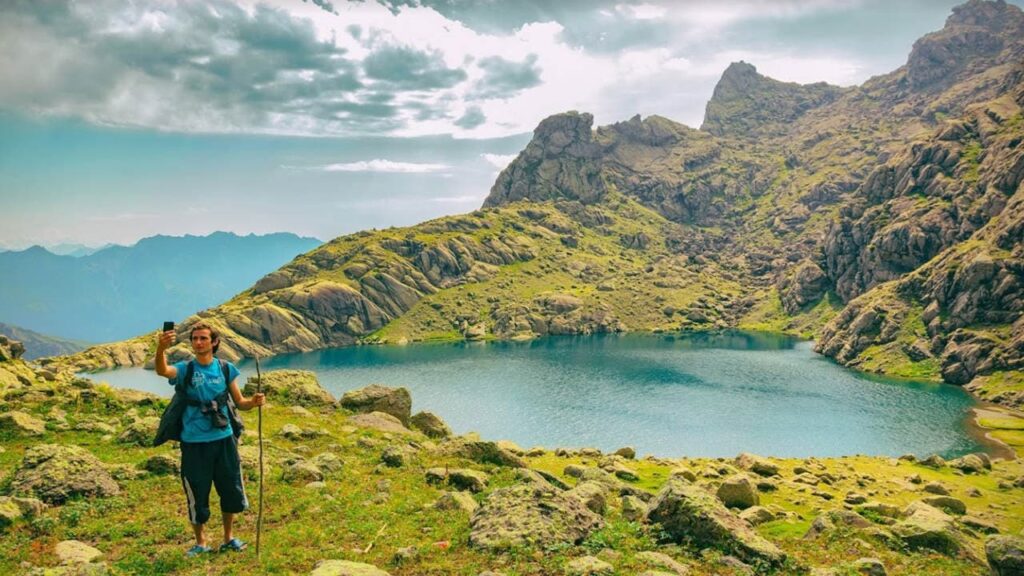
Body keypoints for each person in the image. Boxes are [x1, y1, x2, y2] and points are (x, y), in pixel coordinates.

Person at [155, 322, 265, 557]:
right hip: (194, 443)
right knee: (197, 492)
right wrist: (161, 349)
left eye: (204, 338)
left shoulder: (226, 369)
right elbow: (163, 371)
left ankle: (228, 538)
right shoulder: (186, 369)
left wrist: (253, 402)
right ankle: (201, 542)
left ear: (214, 342)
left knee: (230, 489)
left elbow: (240, 402)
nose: (198, 342)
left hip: (224, 440)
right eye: (195, 338)